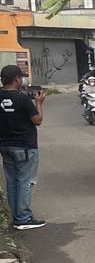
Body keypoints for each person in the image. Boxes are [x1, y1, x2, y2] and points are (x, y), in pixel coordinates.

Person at [0, 65, 46, 230]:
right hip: (25, 146)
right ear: (16, 79)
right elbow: (38, 120)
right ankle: (24, 218)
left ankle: (17, 217)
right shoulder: (21, 99)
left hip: (5, 145)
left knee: (12, 181)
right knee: (25, 182)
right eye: (21, 78)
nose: (22, 80)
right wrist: (39, 103)